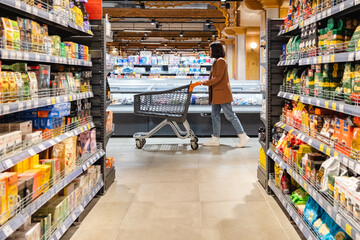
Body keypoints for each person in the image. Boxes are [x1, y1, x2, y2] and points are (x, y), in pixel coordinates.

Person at [201, 42, 250, 147]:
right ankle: (215, 138)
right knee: (214, 116)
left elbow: (218, 78)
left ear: (215, 50)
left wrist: (205, 82)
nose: (209, 52)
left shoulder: (221, 61)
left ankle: (243, 136)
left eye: (210, 49)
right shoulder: (216, 61)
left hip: (222, 94)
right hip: (216, 94)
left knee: (230, 115)